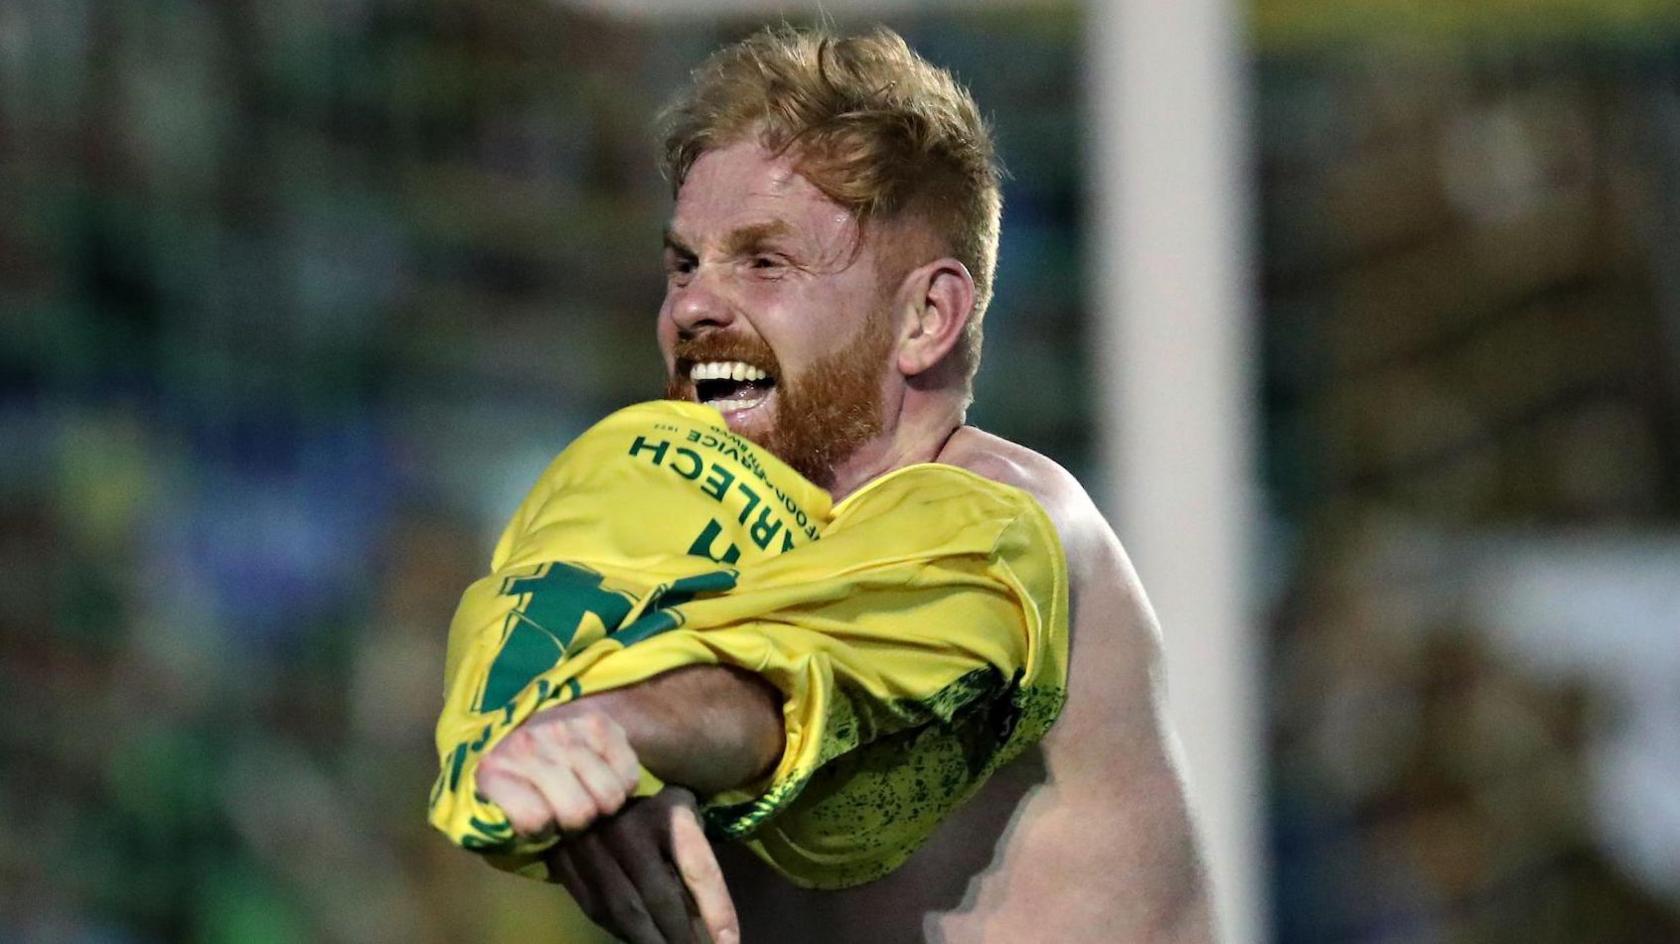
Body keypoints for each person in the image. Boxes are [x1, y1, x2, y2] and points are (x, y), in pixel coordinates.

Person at [437, 25, 1214, 944]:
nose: (692, 306)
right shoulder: (725, 530)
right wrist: (592, 766)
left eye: (766, 261)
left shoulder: (1014, 525)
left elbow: (796, 684)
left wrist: (617, 730)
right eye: (685, 263)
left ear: (926, 317)